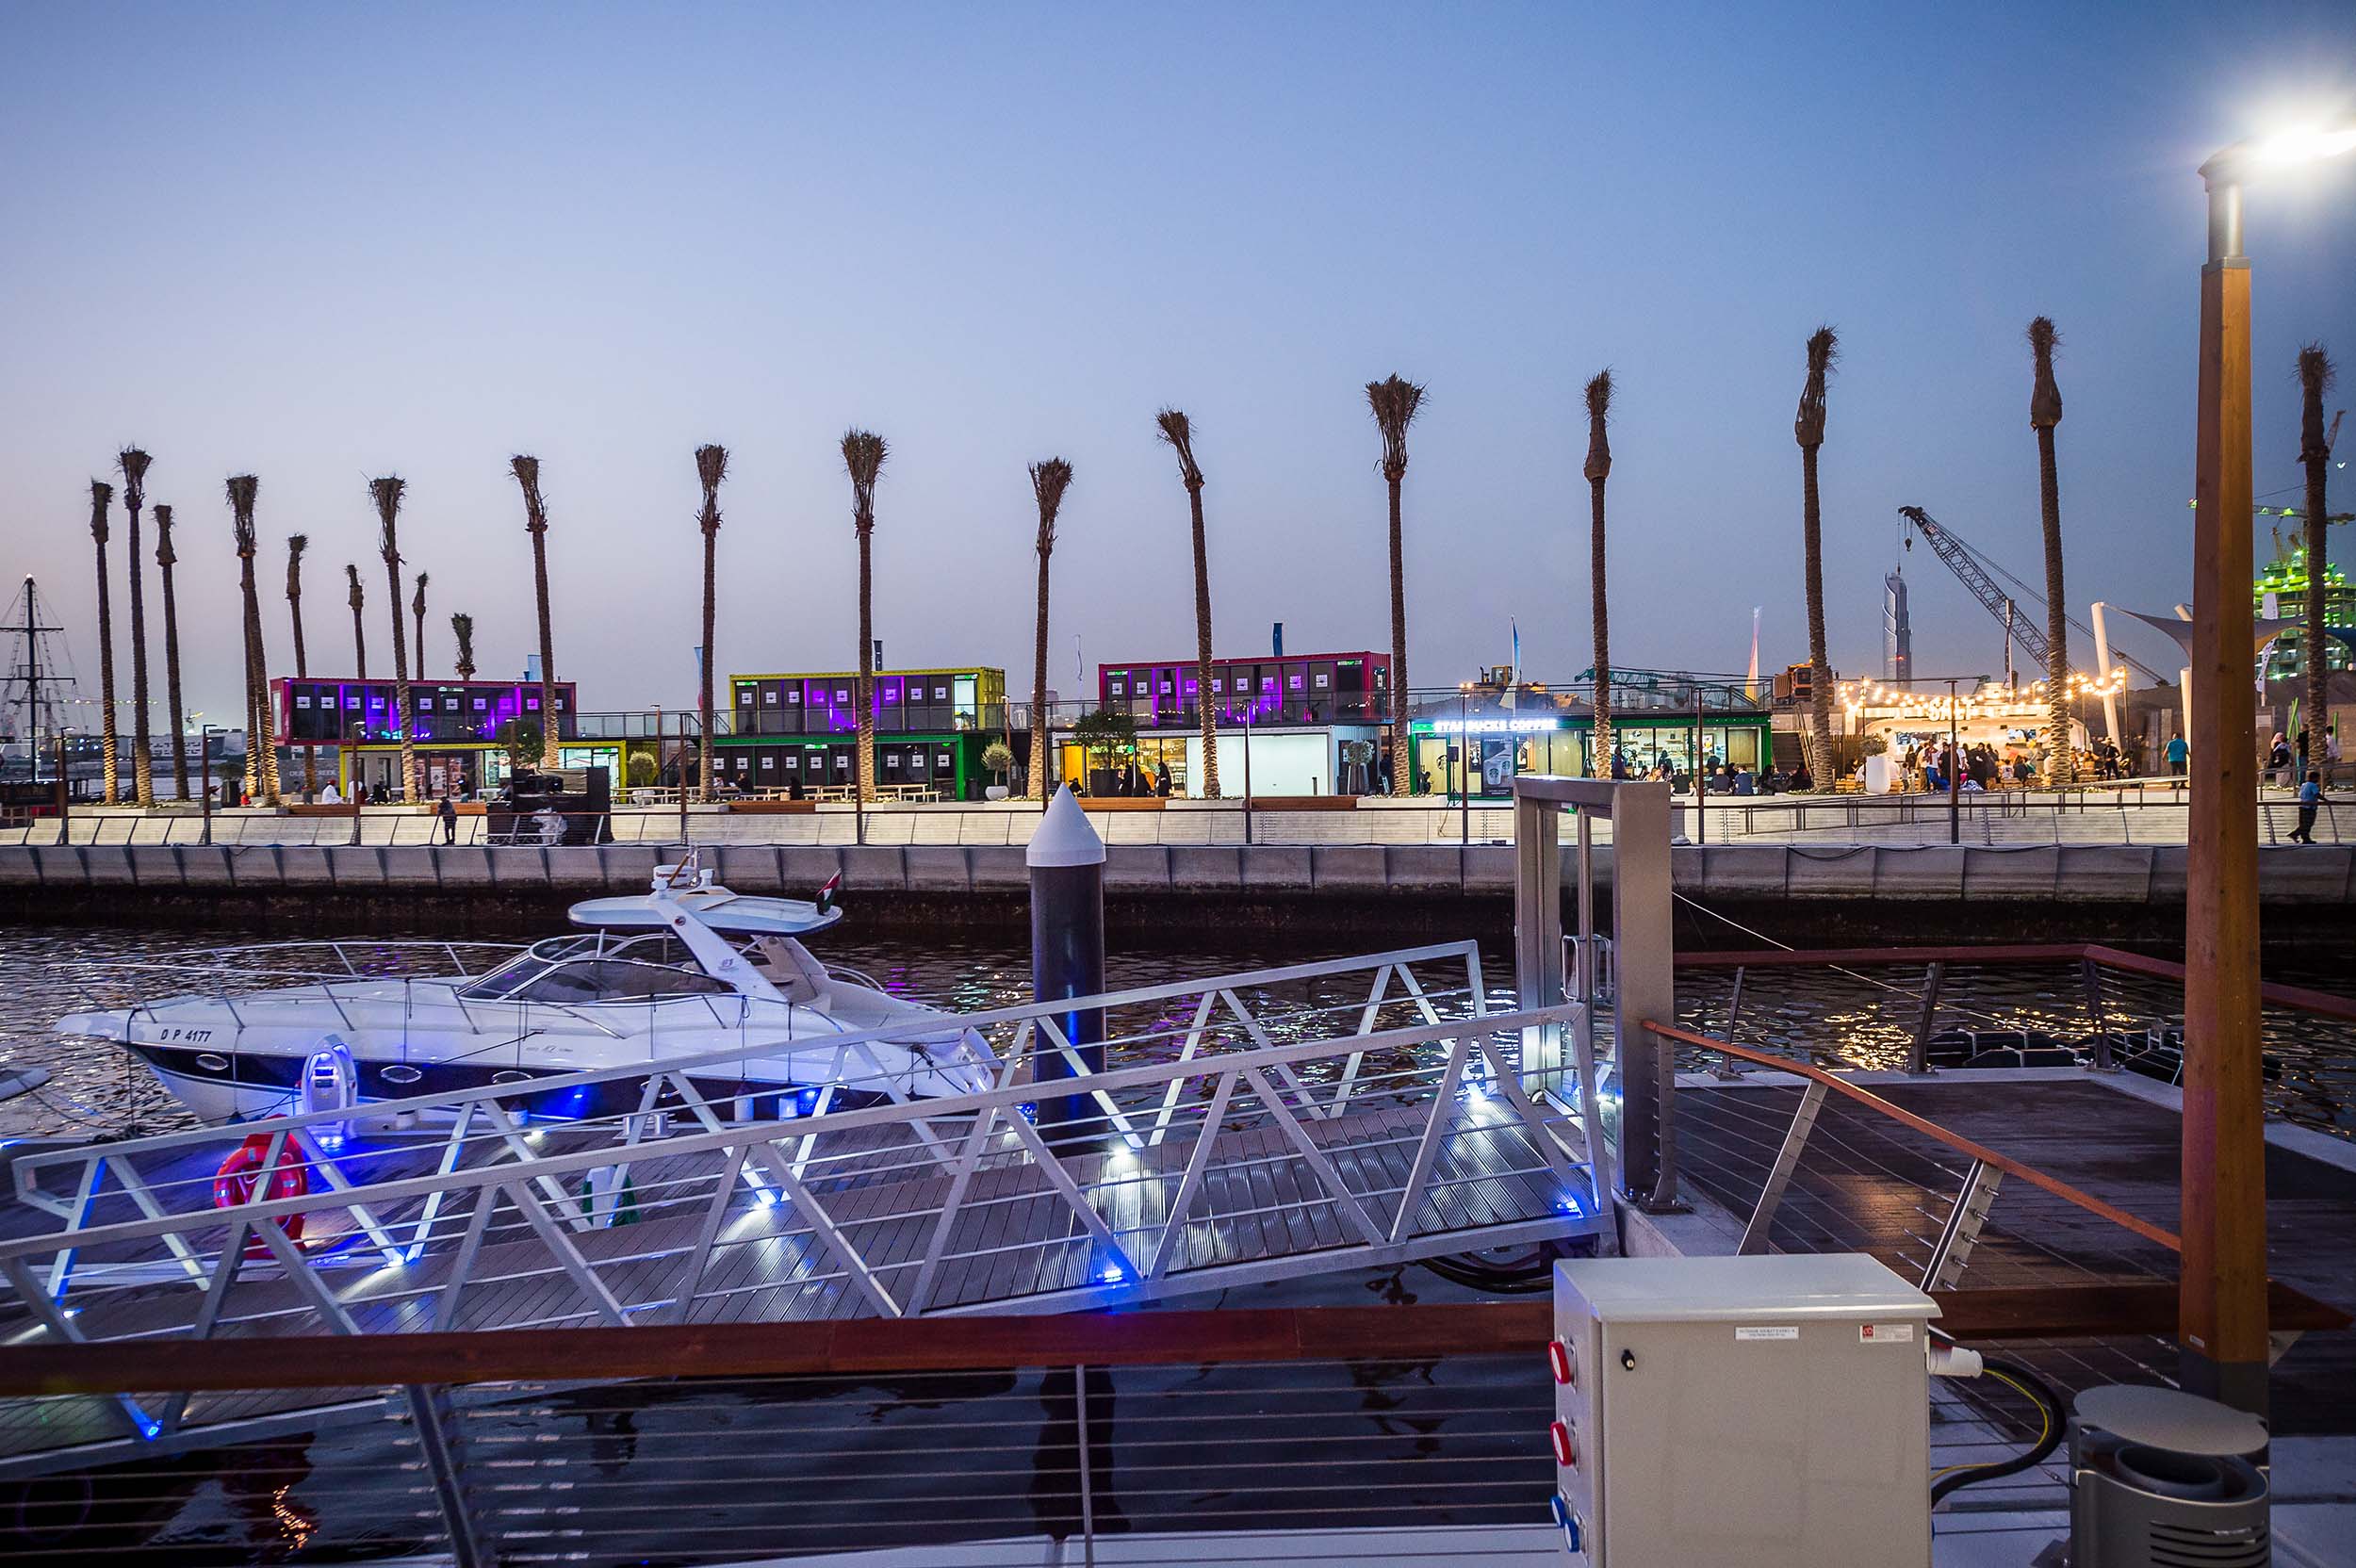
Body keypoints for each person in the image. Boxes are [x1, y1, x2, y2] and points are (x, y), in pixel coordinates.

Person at [2291, 770, 2322, 844]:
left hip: (2303, 806)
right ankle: (2295, 834)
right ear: (2314, 778)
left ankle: (2305, 838)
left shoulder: (2304, 785)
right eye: (2318, 778)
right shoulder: (2313, 785)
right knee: (2308, 824)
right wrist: (2326, 800)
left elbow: (2301, 794)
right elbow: (2316, 794)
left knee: (2304, 824)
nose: (2318, 780)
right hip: (2310, 807)